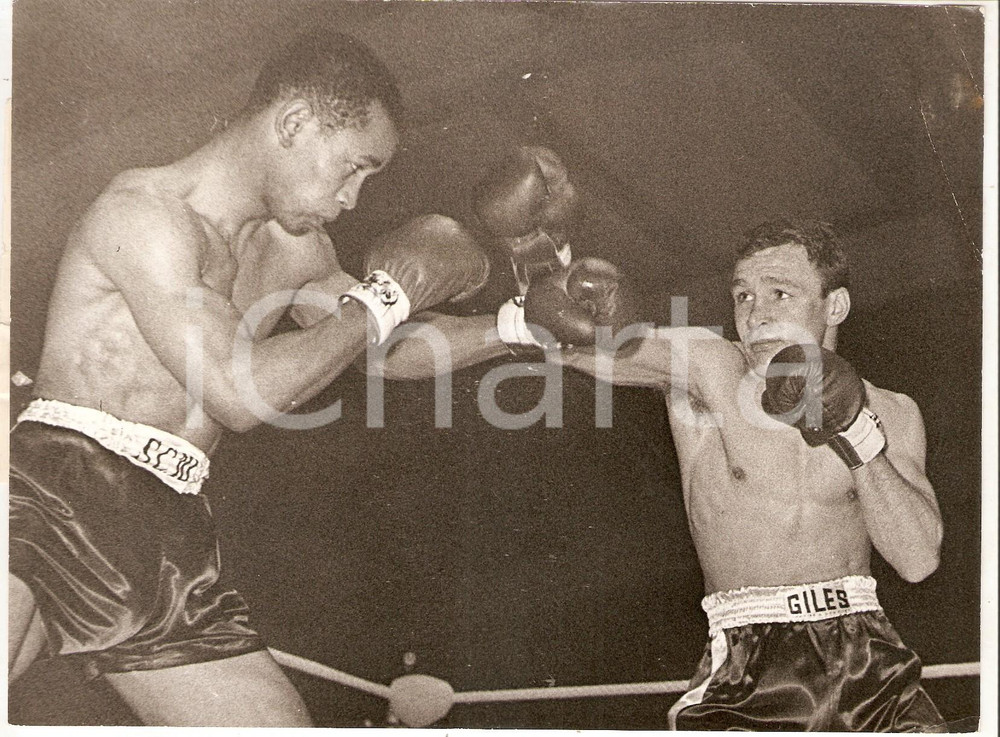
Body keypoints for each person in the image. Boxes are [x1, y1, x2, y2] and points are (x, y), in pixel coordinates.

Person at [7, 30, 501, 727]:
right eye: (352, 167)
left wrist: (521, 327)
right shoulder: (144, 215)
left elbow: (382, 349)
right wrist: (388, 296)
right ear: (294, 124)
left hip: (167, 525)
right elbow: (238, 393)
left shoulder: (297, 247)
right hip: (51, 492)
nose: (354, 198)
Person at [522, 219, 945, 731]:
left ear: (834, 306)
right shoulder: (711, 370)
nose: (756, 315)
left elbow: (918, 559)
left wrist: (857, 434)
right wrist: (544, 276)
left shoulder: (893, 411)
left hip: (869, 661)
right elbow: (583, 341)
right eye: (743, 296)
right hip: (749, 669)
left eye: (779, 294)